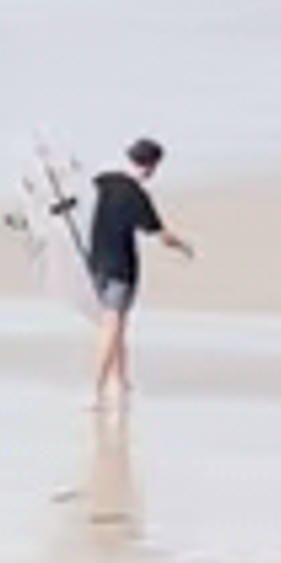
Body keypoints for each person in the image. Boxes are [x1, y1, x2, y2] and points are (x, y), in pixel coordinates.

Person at [82, 134, 187, 409]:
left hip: (96, 263)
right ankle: (97, 389)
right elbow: (161, 235)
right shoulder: (138, 198)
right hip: (121, 268)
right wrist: (184, 247)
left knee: (115, 326)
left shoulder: (105, 182)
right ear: (151, 166)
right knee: (112, 327)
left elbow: (82, 185)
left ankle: (121, 381)